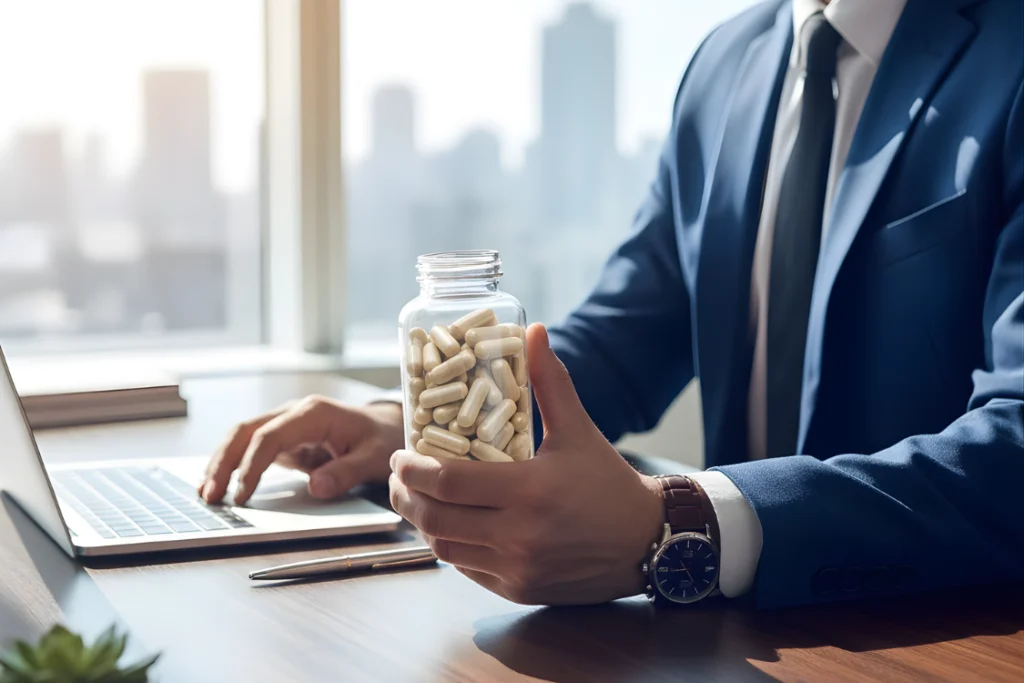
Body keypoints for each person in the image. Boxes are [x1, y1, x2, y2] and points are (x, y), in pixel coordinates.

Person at [200, 0, 1024, 609]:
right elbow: (631, 332)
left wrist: (682, 522)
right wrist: (423, 422)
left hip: (943, 634)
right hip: (735, 641)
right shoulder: (726, 64)